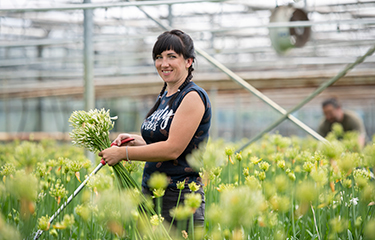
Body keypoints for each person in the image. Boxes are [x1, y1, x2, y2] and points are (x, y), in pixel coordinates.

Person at [98, 29, 211, 229]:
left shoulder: (192, 96)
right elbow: (166, 144)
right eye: (159, 57)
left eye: (171, 56)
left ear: (188, 61)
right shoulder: (165, 96)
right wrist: (136, 141)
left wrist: (123, 153)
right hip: (152, 194)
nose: (163, 63)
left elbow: (172, 149)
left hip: (178, 199)